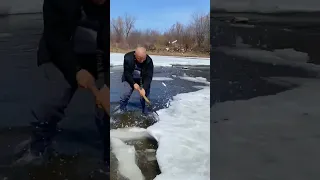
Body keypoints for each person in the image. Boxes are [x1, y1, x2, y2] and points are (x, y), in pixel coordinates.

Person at [13, 0, 110, 168]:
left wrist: (108, 85)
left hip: (101, 56)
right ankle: (37, 149)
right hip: (62, 53)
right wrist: (76, 70)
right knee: (50, 105)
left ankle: (109, 159)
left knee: (107, 109)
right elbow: (55, 37)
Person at [119, 47, 154, 115]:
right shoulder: (128, 58)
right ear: (135, 54)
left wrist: (144, 88)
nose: (141, 61)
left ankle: (146, 113)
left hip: (143, 79)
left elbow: (148, 76)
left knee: (145, 97)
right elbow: (127, 73)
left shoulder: (149, 61)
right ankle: (122, 110)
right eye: (139, 58)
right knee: (125, 95)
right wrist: (133, 83)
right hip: (130, 79)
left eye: (143, 59)